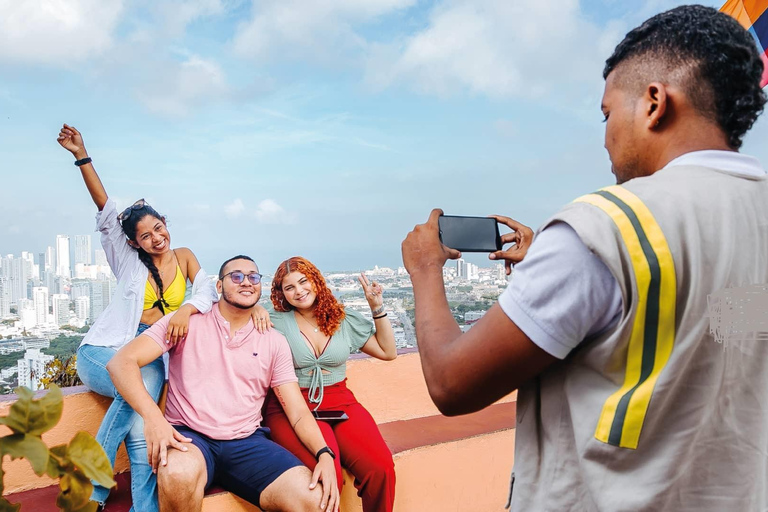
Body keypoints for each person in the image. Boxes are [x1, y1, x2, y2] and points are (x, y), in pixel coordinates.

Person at [401, 5, 768, 511]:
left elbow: (451, 385)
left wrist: (425, 271)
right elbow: (716, 318)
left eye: (607, 113)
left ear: (654, 103)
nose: (605, 137)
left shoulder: (606, 225)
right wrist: (559, 270)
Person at [57, 125, 271, 511]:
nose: (156, 238)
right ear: (134, 242)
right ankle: (93, 489)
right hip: (104, 351)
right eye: (145, 236)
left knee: (143, 424)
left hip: (150, 347)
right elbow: (105, 210)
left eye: (159, 228)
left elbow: (209, 288)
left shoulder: (185, 256)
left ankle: (142, 505)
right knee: (146, 386)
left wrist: (191, 308)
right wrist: (82, 156)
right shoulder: (126, 259)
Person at [107, 255, 340, 512]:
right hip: (190, 437)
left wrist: (324, 454)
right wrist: (154, 419)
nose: (246, 283)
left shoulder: (273, 340)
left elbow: (297, 412)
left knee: (316, 502)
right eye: (236, 276)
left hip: (246, 441)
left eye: (253, 277)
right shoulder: (186, 324)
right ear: (219, 287)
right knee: (176, 475)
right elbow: (121, 363)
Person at [263, 256, 397, 512]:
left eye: (303, 282)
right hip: (290, 407)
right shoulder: (273, 320)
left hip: (340, 402)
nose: (299, 291)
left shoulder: (341, 318)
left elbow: (388, 351)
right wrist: (257, 310)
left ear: (316, 280)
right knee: (327, 478)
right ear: (281, 293)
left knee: (380, 469)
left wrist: (377, 306)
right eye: (289, 287)